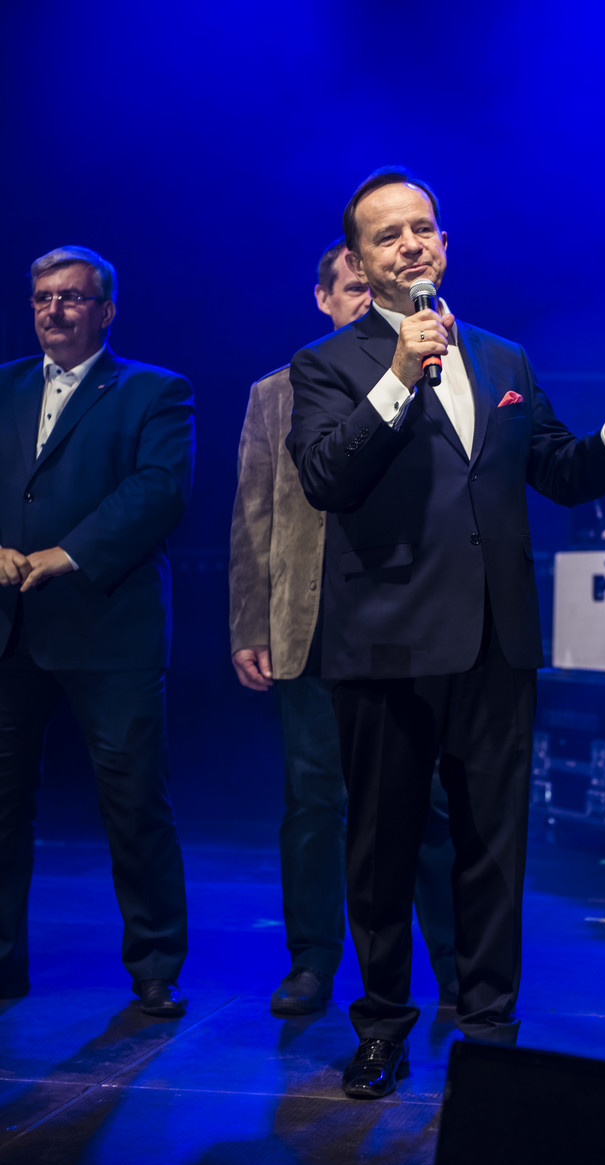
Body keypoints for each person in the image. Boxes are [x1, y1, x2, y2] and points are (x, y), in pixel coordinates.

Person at [287, 169, 605, 1098]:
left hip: (496, 639)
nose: (410, 244)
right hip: (386, 642)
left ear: (444, 244)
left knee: (495, 842)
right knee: (382, 844)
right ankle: (381, 1025)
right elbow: (327, 478)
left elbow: (554, 468)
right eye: (388, 235)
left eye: (422, 228)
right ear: (360, 262)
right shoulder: (327, 364)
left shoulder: (503, 359)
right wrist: (395, 375)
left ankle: (490, 1024)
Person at [229, 237, 458, 1018]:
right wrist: (249, 622)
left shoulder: (433, 373)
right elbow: (253, 515)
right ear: (323, 299)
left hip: (404, 622)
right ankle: (311, 962)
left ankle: (454, 967)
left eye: (371, 287)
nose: (364, 298)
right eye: (349, 288)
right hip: (312, 622)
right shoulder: (276, 390)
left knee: (425, 802)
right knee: (313, 802)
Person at [0, 245, 194, 1017]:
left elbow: (159, 491)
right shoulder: (4, 385)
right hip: (11, 629)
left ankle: (155, 967)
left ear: (106, 310)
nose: (54, 310)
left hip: (110, 627)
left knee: (134, 804)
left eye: (72, 297)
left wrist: (70, 552)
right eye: (43, 298)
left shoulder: (155, 390)